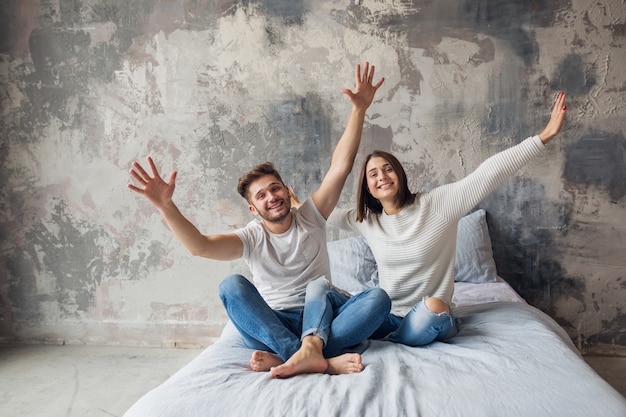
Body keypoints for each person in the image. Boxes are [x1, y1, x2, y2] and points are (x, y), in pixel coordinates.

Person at [127, 62, 389, 378]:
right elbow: (200, 247)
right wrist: (167, 206)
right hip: (273, 324)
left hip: (323, 319)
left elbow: (341, 166)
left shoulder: (311, 216)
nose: (271, 197)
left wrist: (359, 109)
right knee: (231, 285)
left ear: (286, 190)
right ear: (253, 209)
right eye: (261, 196)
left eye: (275, 188)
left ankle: (294, 356)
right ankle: (313, 357)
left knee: (377, 298)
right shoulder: (252, 237)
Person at [327, 92, 568, 347]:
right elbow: (326, 214)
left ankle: (391, 340)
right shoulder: (368, 221)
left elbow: (488, 174)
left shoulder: (436, 205)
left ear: (399, 174)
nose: (382, 176)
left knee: (435, 306)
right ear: (368, 187)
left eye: (388, 169)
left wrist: (543, 137)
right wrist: (295, 205)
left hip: (427, 315)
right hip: (387, 316)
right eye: (373, 174)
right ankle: (329, 343)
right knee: (328, 292)